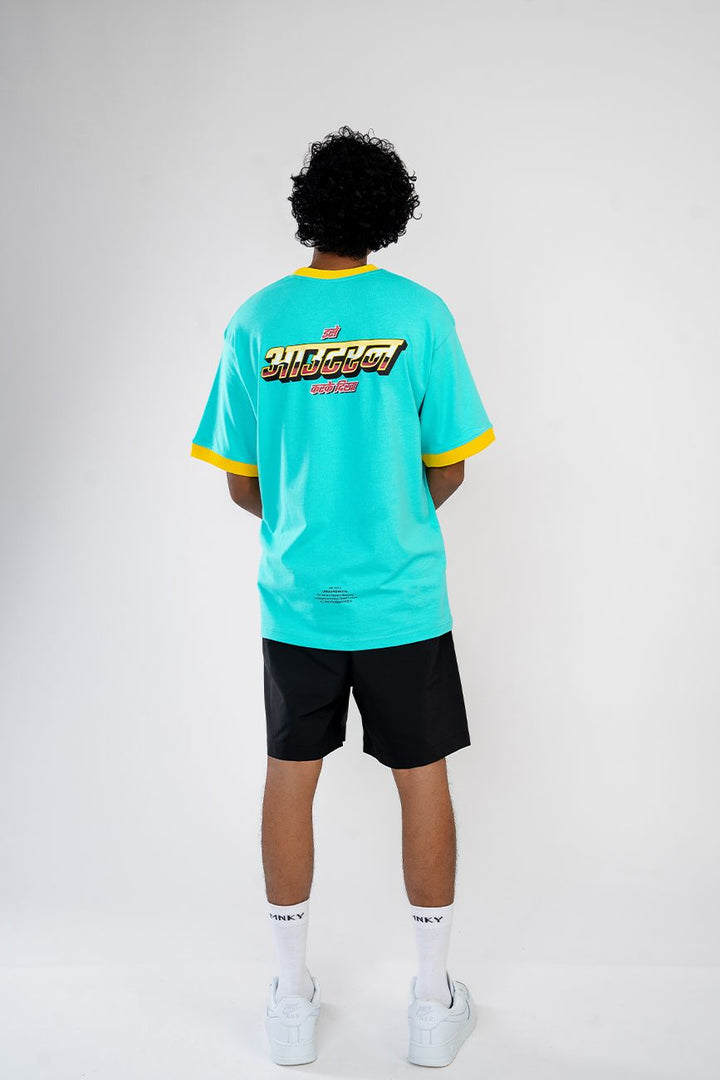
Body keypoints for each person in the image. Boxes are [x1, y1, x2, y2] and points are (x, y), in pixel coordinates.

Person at [189, 125, 496, 1067]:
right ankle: (433, 1003)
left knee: (290, 776)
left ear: (306, 209)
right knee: (424, 779)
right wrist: (389, 513)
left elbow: (240, 483)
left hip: (296, 605)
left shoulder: (256, 320)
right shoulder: (421, 315)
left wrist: (307, 522)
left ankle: (290, 1000)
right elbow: (449, 466)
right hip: (403, 602)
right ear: (391, 214)